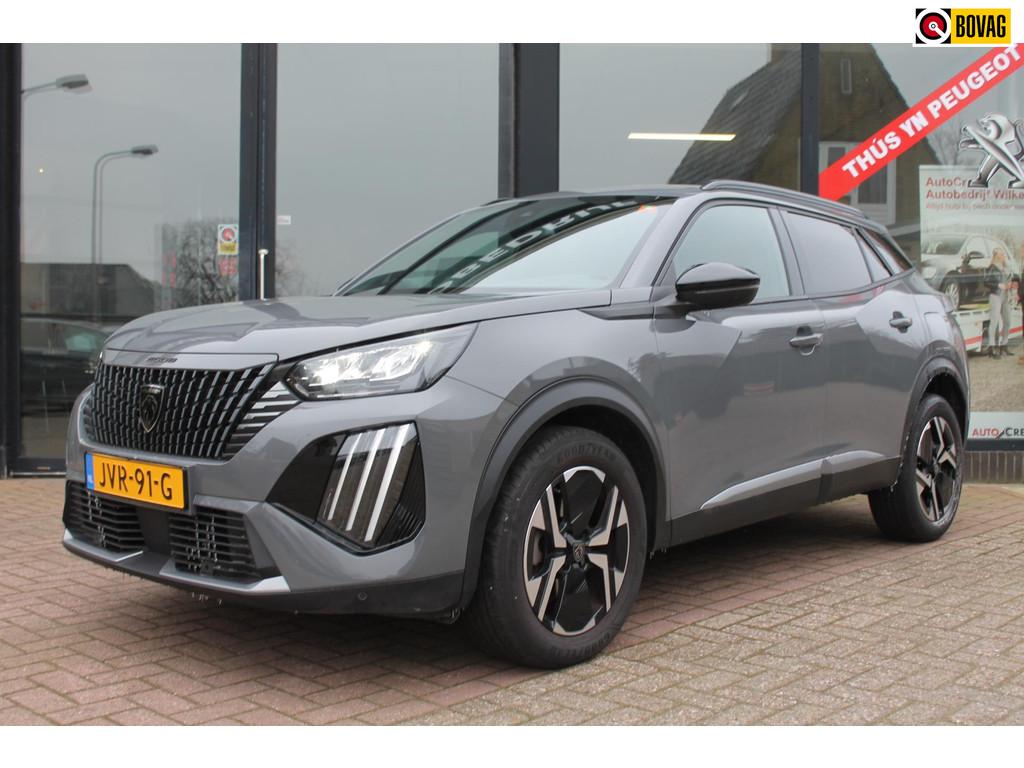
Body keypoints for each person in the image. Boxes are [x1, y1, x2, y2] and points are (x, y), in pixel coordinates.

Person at [984, 248, 1012, 358]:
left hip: (1005, 296)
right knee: (994, 322)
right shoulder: (992, 267)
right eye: (1001, 254)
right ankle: (991, 348)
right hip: (996, 296)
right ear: (996, 256)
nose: (1003, 255)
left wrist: (1010, 284)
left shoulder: (1005, 267)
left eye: (1003, 253)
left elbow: (1009, 278)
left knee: (1008, 321)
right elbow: (986, 282)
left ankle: (1004, 345)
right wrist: (998, 285)